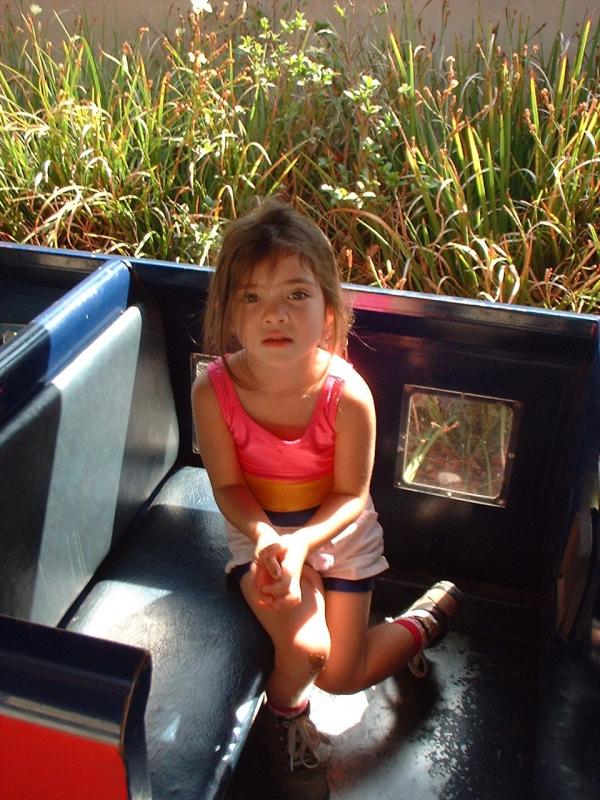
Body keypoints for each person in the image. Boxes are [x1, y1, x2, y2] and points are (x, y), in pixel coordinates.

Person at [191, 198, 462, 800]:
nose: (275, 314)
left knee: (343, 675)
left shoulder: (348, 395)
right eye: (252, 297)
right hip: (261, 530)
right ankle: (286, 722)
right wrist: (268, 539)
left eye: (296, 294)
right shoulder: (213, 391)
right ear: (229, 312)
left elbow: (350, 495)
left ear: (329, 309)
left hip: (338, 531)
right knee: (310, 650)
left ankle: (418, 625)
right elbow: (228, 487)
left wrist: (304, 543)